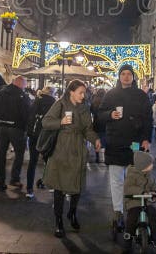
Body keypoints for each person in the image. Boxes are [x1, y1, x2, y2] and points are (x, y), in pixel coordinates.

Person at [41, 79, 101, 238]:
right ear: (71, 92)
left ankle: (72, 212)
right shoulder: (60, 104)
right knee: (59, 187)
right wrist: (60, 121)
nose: (83, 95)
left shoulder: (85, 108)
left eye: (84, 92)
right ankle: (58, 220)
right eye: (81, 92)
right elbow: (45, 122)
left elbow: (88, 129)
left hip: (78, 150)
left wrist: (95, 139)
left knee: (77, 186)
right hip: (61, 149)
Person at [96, 64, 153, 229]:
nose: (126, 77)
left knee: (133, 178)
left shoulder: (141, 95)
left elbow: (148, 119)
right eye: (123, 74)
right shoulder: (111, 95)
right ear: (119, 76)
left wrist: (146, 139)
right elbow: (99, 116)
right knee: (116, 180)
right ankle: (117, 211)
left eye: (129, 74)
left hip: (134, 143)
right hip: (115, 141)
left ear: (133, 77)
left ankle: (132, 211)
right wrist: (109, 115)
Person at [0, 75, 30, 191]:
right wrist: (26, 129)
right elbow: (26, 114)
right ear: (20, 83)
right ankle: (14, 178)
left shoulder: (1, 93)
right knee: (19, 154)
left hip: (2, 127)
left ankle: (0, 181)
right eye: (25, 84)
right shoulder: (22, 96)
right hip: (16, 128)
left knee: (1, 155)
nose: (25, 87)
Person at [123, 151, 156, 250]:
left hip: (147, 201)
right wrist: (141, 192)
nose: (152, 166)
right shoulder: (131, 175)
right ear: (142, 166)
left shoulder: (149, 175)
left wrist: (155, 192)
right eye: (150, 164)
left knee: (153, 214)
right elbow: (128, 188)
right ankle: (128, 238)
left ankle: (155, 236)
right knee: (131, 218)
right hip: (134, 201)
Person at [26, 86, 55, 198]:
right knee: (49, 161)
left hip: (34, 135)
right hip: (46, 136)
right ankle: (49, 184)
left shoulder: (35, 101)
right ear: (52, 93)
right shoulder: (53, 102)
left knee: (32, 162)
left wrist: (29, 132)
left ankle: (29, 190)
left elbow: (30, 117)